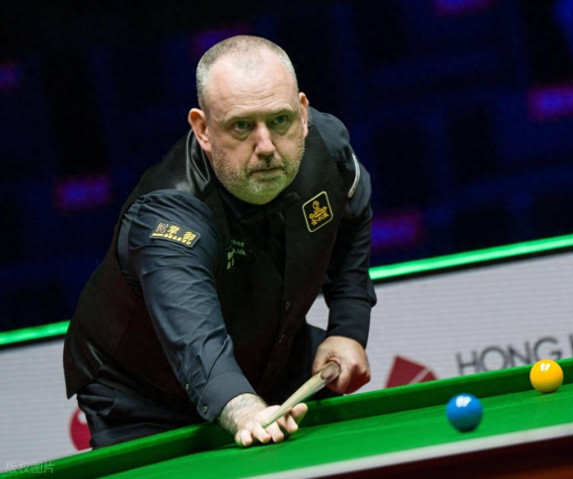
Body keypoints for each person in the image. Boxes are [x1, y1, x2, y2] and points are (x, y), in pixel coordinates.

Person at [63, 35, 376, 449]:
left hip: (272, 354)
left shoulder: (326, 148)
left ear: (303, 113)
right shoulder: (169, 216)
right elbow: (195, 341)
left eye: (280, 120)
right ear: (203, 129)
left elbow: (353, 219)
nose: (266, 146)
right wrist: (242, 407)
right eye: (241, 126)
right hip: (147, 394)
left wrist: (348, 327)